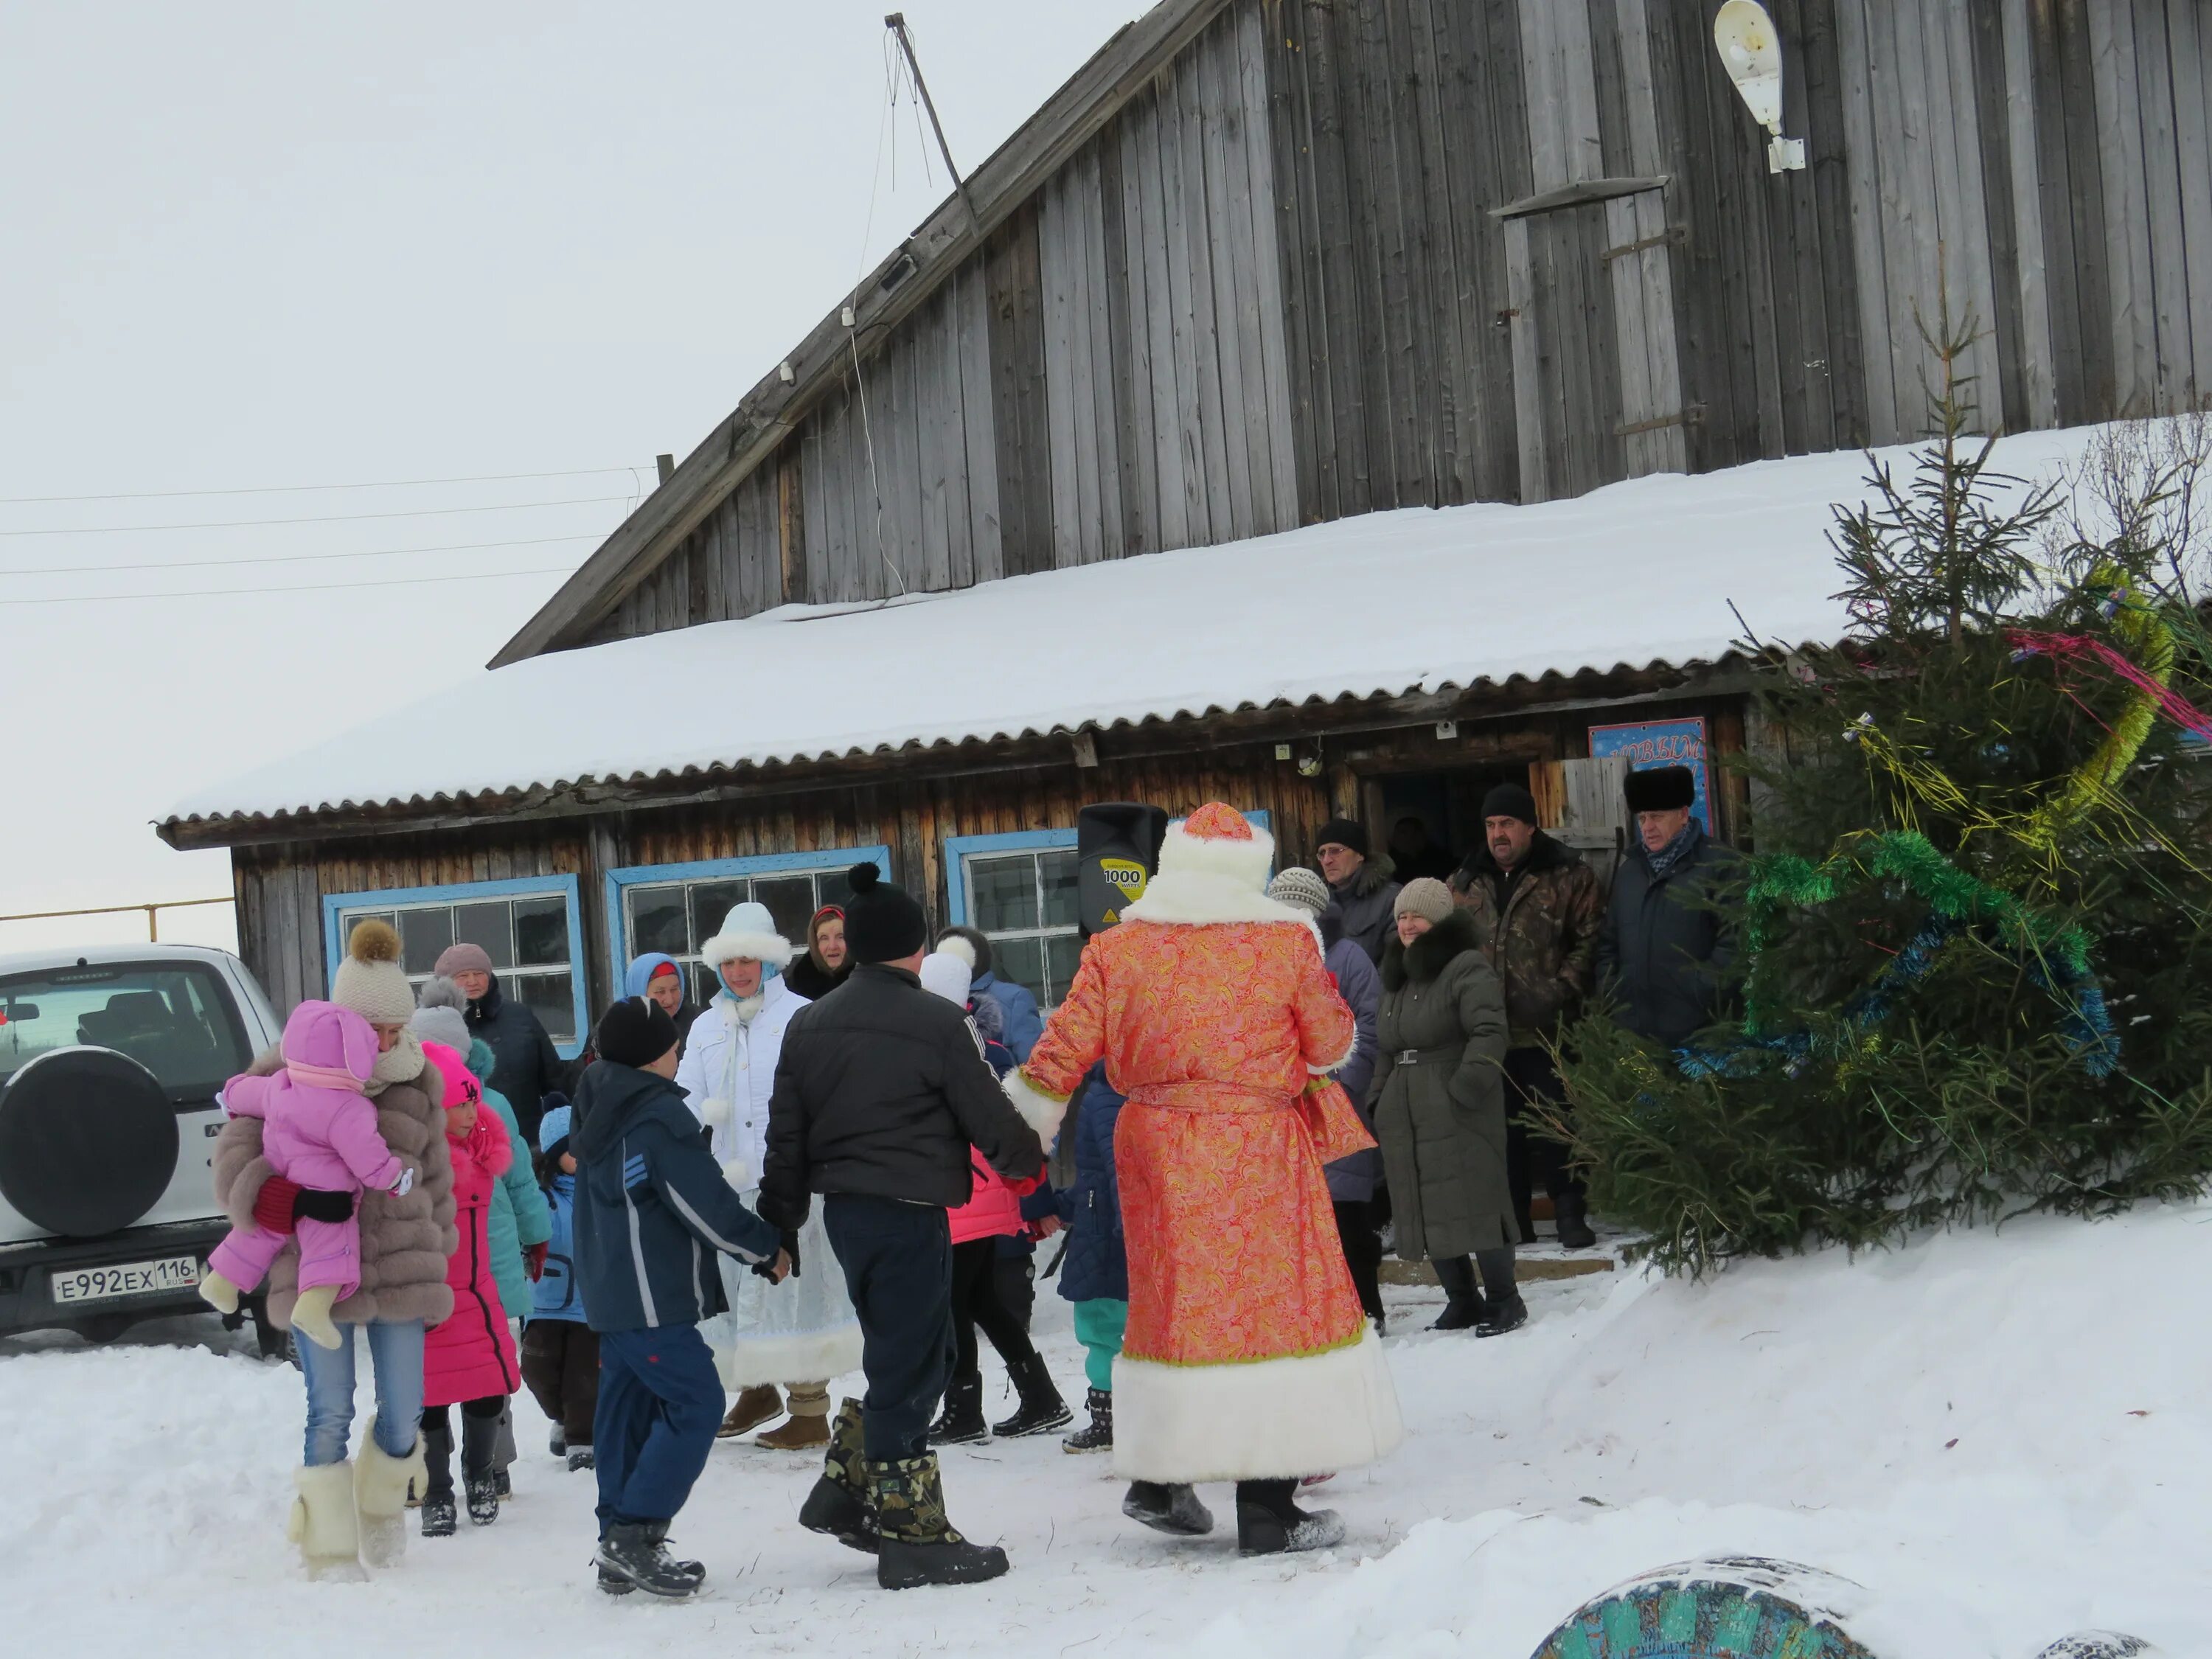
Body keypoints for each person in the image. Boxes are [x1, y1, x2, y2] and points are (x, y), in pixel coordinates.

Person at [1011, 804, 1402, 1557]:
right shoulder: (1282, 940)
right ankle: (1268, 1507)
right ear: (1248, 874)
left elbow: (1059, 1054)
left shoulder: (1117, 948)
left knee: (1172, 1301)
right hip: (1257, 1146)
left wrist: (1019, 1131)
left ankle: (1160, 1480)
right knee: (1272, 1310)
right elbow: (1329, 1044)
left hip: (1156, 1144)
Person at [762, 862, 1049, 1591]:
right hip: (910, 1210)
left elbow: (785, 1134)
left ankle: (843, 1490)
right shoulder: (935, 1020)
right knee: (916, 1363)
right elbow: (986, 1113)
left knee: (910, 1352)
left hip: (848, 1217)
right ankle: (913, 1534)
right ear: (915, 948)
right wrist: (1030, 1171)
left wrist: (781, 1221)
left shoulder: (808, 1022)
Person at [211, 919, 457, 1577]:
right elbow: (233, 1168)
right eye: (373, 1028)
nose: (386, 1041)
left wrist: (443, 1247)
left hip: (403, 1267)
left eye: (394, 1028)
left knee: (406, 1410)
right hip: (315, 1268)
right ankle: (327, 1546)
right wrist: (287, 1201)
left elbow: (435, 1177)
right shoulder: (284, 1072)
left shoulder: (418, 1082)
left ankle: (378, 1508)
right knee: (331, 1408)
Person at [571, 995, 790, 1599]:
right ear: (649, 1058)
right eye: (671, 1045)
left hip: (613, 1292)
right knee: (696, 1403)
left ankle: (617, 1538)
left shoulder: (597, 1102)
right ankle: (635, 1535)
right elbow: (702, 1203)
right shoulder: (654, 1117)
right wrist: (764, 1249)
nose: (678, 1053)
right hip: (649, 1297)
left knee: (626, 1413)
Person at [674, 902, 860, 1453]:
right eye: (729, 962)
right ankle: (756, 1390)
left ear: (770, 962)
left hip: (791, 1183)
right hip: (731, 1185)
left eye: (748, 961)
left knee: (792, 1290)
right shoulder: (706, 1025)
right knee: (738, 1291)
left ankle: (808, 1411)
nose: (738, 972)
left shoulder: (803, 1015)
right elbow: (685, 1097)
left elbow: (828, 1096)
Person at [917, 949, 1068, 1445]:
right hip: (986, 1194)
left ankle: (964, 1410)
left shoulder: (943, 1048)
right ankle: (1041, 1396)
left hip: (963, 1195)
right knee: (982, 1301)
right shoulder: (992, 1048)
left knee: (954, 1304)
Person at [201, 1001, 411, 1351]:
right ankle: (313, 1308)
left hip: (279, 1182)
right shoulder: (348, 1108)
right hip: (324, 1196)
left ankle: (222, 1282)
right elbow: (368, 1157)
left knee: (260, 1232)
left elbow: (245, 1093)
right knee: (332, 1250)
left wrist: (229, 1097)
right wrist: (391, 1177)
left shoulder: (280, 1085)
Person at [1450, 783, 1604, 1251]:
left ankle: (1570, 1210)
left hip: (1549, 1029)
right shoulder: (1463, 882)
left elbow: (1592, 939)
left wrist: (1560, 991)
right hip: (1488, 1034)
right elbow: (1446, 948)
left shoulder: (1567, 875)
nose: (1498, 834)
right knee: (1502, 1131)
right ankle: (1513, 1216)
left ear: (1530, 827)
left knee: (1558, 1123)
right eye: (1492, 825)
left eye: (1508, 825)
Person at [1371, 879, 1525, 1336]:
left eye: (1417, 916)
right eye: (1401, 916)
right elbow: (1385, 1047)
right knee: (1424, 1204)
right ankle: (1461, 1300)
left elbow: (1490, 1032)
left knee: (1478, 1199)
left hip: (1458, 1105)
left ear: (1439, 920)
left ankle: (1505, 1300)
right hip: (1405, 1111)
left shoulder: (1466, 967)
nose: (1408, 924)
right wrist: (1379, 1100)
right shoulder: (1397, 976)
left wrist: (1463, 1090)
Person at [1267, 868, 1385, 1332]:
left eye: (1299, 909)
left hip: (1336, 1104)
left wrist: (1342, 1087)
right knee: (1292, 1222)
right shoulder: (1263, 959)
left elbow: (1370, 1025)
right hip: (1281, 1109)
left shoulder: (1349, 957)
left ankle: (1368, 1308)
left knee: (1346, 1215)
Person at [415, 1041, 521, 1536]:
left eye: (472, 1100)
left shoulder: (482, 1148)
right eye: (457, 1104)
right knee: (427, 1399)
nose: (469, 1112)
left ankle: (479, 1474)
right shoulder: (415, 1160)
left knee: (486, 1391)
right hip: (428, 1295)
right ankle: (436, 1490)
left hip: (477, 1291)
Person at [1596, 765, 1737, 1047]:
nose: (1647, 827)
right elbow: (1608, 944)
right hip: (1634, 1034)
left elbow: (1737, 945)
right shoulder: (1630, 873)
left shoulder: (1721, 866)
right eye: (1643, 817)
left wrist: (1698, 991)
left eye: (1657, 817)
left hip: (1702, 1038)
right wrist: (1614, 993)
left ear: (1683, 814)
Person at [1044, 1062, 1127, 1453]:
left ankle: (1108, 1422)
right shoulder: (1127, 1088)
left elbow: (1119, 1172)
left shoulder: (1107, 1092)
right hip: (1106, 1224)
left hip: (1107, 1237)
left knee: (1099, 1329)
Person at [521, 1102, 597, 1472]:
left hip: (590, 1303)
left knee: (584, 1375)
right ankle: (563, 1418)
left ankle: (583, 1437)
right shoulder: (539, 1196)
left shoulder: (601, 1192)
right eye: (573, 1149)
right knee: (537, 1368)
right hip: (544, 1301)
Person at [434, 941, 563, 1146]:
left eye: (479, 974)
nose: (472, 981)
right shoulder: (436, 1026)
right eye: (462, 976)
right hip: (468, 1145)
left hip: (528, 1139)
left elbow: (555, 1079)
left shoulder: (520, 1016)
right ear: (446, 982)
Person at [935, 925, 1044, 1060]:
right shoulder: (931, 999)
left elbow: (1032, 1062)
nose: (950, 966)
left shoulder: (1014, 999)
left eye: (957, 957)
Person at [1314, 815, 1401, 965]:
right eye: (1322, 853)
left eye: (1336, 851)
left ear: (1360, 854)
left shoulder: (1392, 899)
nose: (1327, 860)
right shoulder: (1316, 904)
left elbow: (1394, 969)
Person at [626, 951, 700, 1052]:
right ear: (639, 992)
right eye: (660, 992)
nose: (669, 1000)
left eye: (674, 989)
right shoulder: (616, 1030)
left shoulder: (699, 1022)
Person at [783, 904, 852, 1001]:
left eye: (840, 937)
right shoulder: (792, 992)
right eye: (824, 938)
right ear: (814, 943)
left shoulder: (867, 982)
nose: (832, 946)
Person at [1386, 814, 1458, 886]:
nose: (1397, 837)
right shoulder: (1397, 864)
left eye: (1403, 832)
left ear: (1418, 834)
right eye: (1396, 833)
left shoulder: (1440, 860)